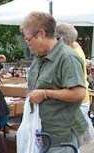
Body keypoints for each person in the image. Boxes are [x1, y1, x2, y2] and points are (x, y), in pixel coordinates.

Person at [21, 11, 88, 153]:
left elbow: (79, 93)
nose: (28, 44)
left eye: (28, 39)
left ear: (41, 34)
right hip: (41, 135)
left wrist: (46, 93)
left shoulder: (67, 57)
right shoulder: (39, 58)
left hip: (60, 139)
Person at [55, 23, 94, 143]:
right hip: (81, 101)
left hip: (75, 103)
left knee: (71, 142)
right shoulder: (75, 47)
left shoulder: (71, 56)